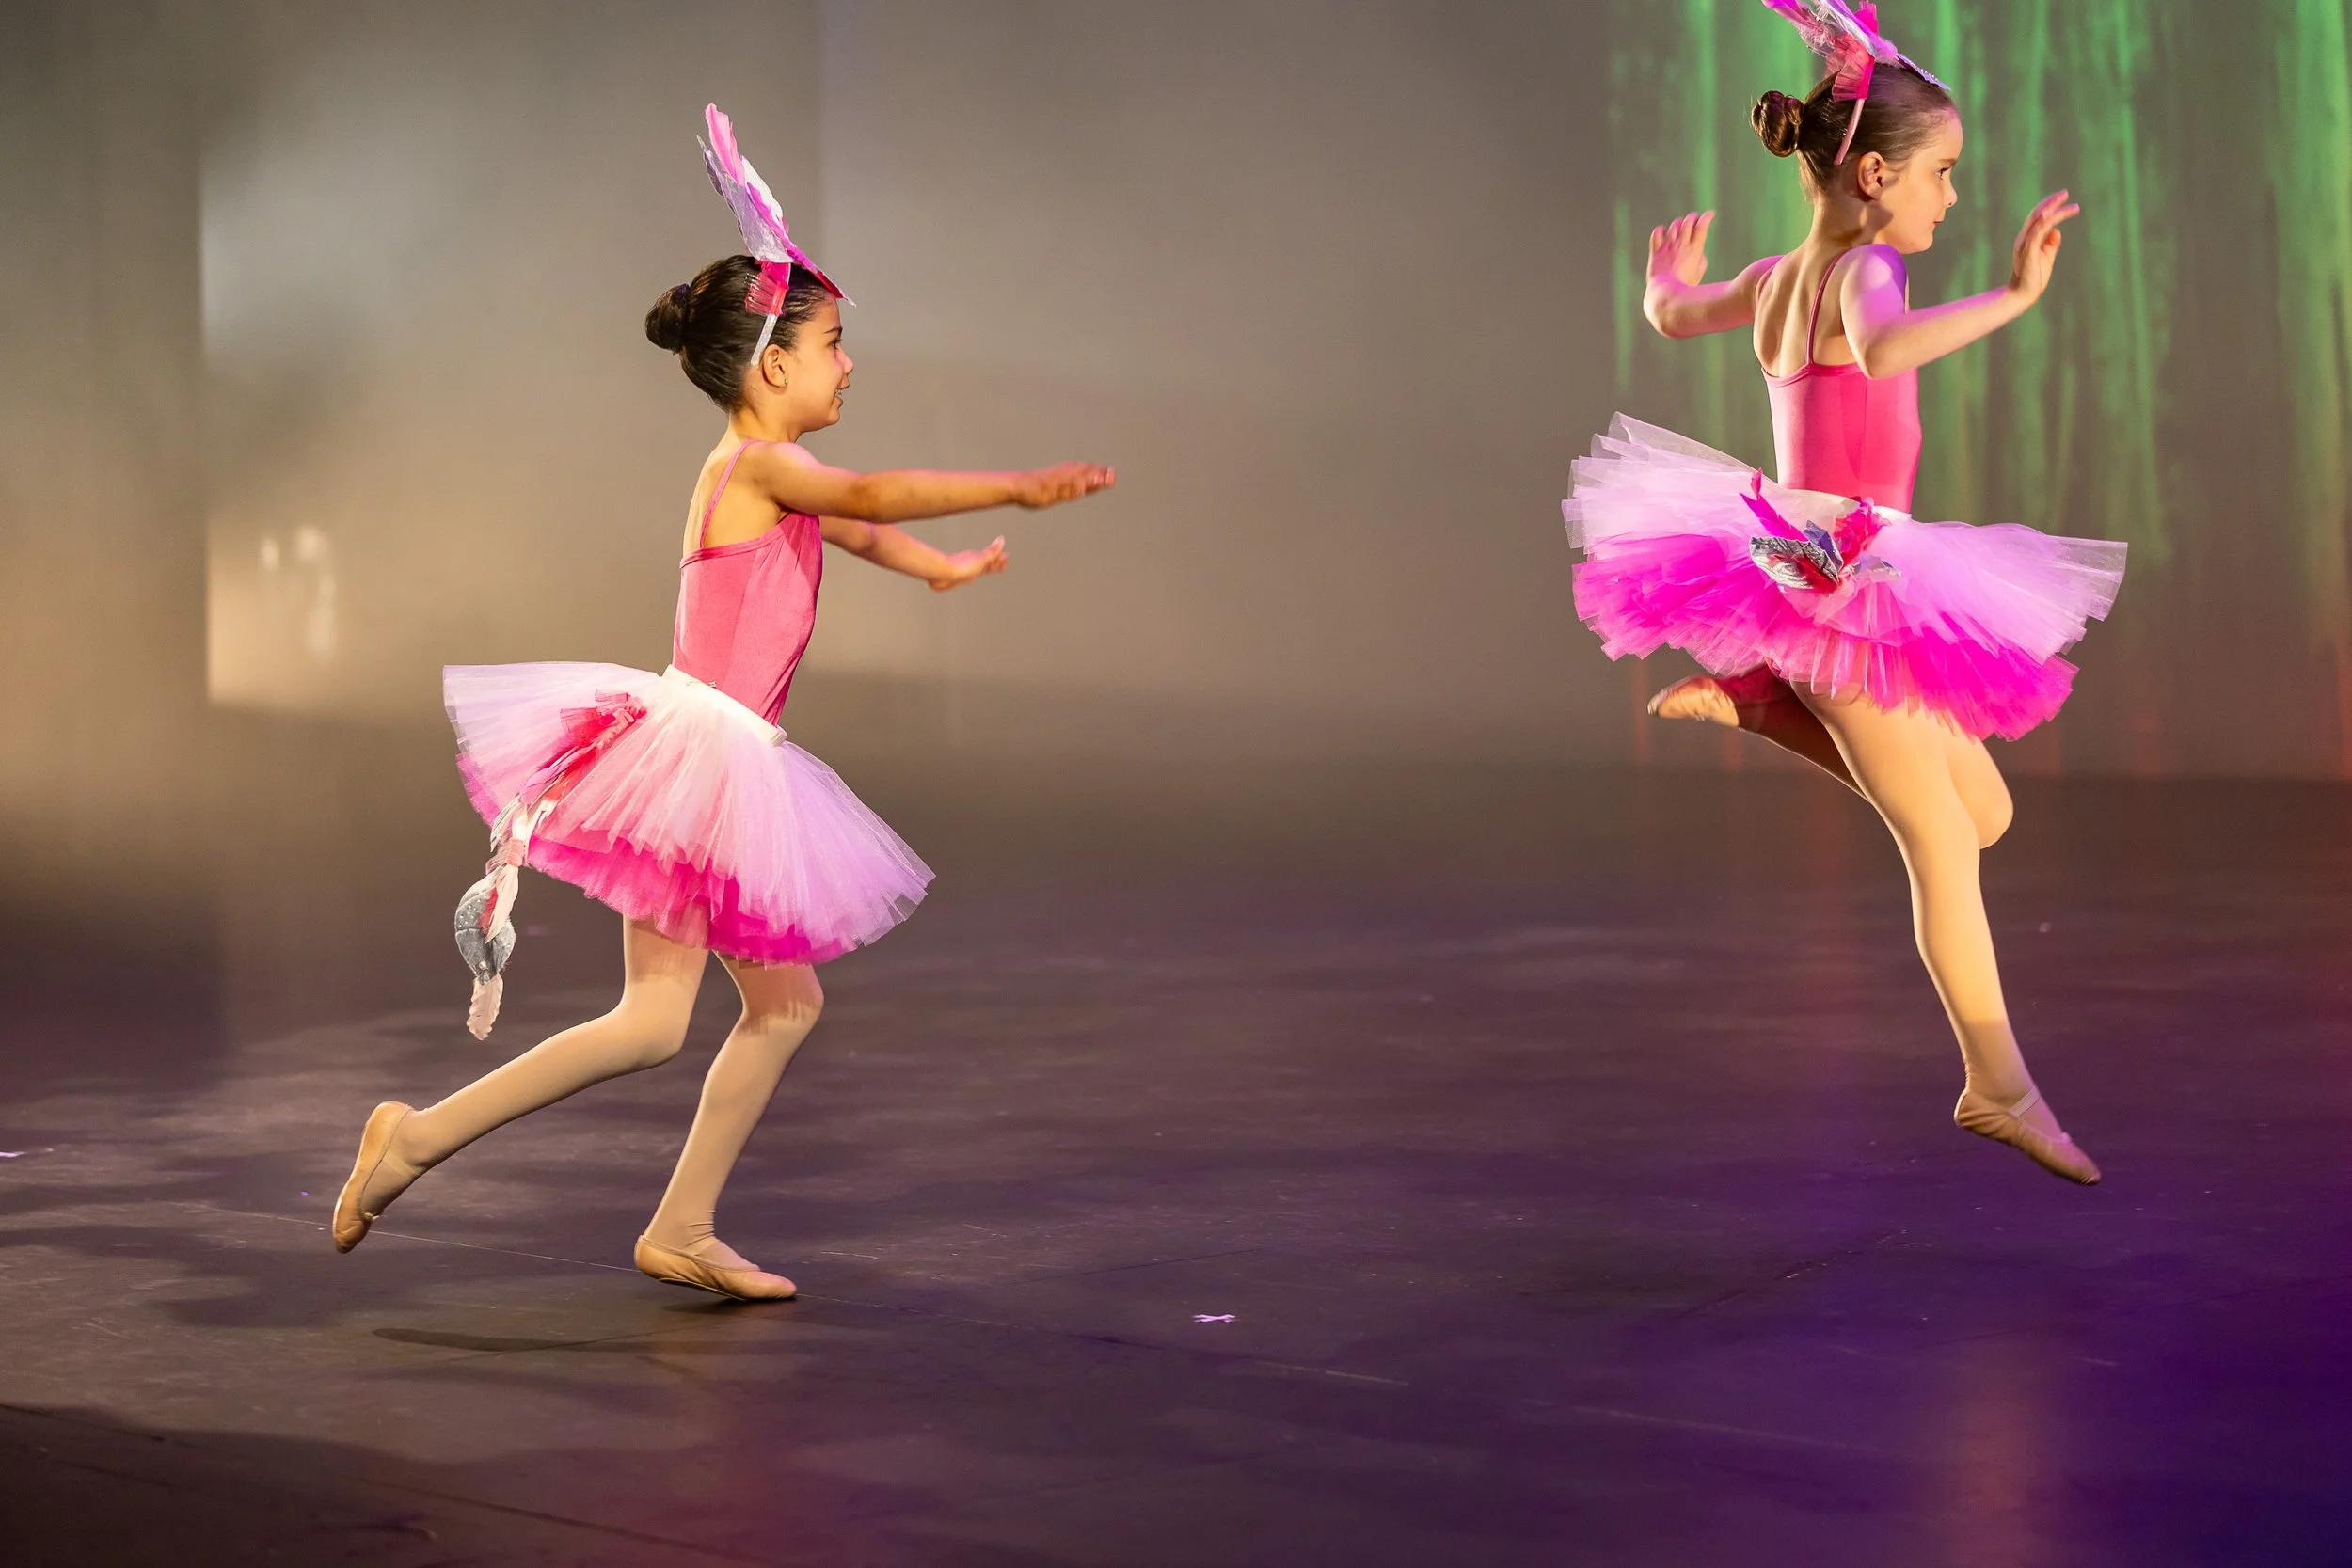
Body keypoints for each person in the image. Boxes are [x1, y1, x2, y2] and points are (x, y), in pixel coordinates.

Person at [332, 106, 1114, 1297]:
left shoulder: (771, 479)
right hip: (701, 764)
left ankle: (681, 1225)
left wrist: (945, 569)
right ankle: (415, 1137)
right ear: (775, 363)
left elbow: (852, 524)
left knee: (782, 1005)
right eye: (838, 342)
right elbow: (874, 490)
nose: (852, 362)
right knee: (652, 1023)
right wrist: (1016, 485)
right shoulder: (753, 464)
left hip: (724, 759)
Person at [1565, 2, 2123, 1182]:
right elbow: (1878, 352)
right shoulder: (1866, 268)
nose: (1954, 200)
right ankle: (1995, 1083)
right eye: (1943, 176)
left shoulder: (1777, 275)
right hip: (1843, 576)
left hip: (1820, 558)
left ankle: (1762, 705)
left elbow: (1676, 316)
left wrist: (1667, 284)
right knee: (1942, 843)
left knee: (1988, 814)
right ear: (1874, 174)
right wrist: (2017, 302)